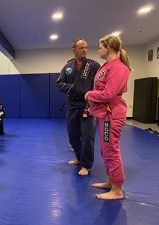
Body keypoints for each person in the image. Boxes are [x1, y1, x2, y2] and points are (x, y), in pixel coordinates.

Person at [85, 34, 131, 200]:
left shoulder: (118, 68)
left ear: (109, 48)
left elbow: (109, 93)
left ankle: (117, 190)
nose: (98, 50)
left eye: (100, 47)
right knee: (105, 150)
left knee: (111, 150)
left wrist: (89, 94)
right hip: (105, 113)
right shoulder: (107, 66)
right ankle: (111, 181)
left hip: (113, 114)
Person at [56, 38, 100, 176]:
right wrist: (74, 89)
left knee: (87, 137)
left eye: (86, 47)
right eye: (81, 48)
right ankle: (79, 158)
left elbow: (100, 83)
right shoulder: (68, 67)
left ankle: (86, 165)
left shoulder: (93, 65)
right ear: (74, 49)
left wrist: (94, 96)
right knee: (73, 136)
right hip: (73, 105)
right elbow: (59, 84)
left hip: (88, 106)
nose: (84, 50)